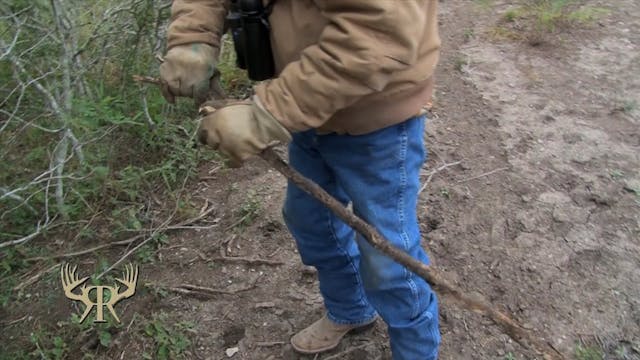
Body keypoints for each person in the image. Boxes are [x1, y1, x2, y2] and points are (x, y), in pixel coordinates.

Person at [159, 1, 441, 358]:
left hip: (377, 118)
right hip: (307, 106)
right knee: (312, 222)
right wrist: (192, 37)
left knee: (388, 254)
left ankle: (416, 351)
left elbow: (379, 35)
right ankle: (350, 309)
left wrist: (266, 114)